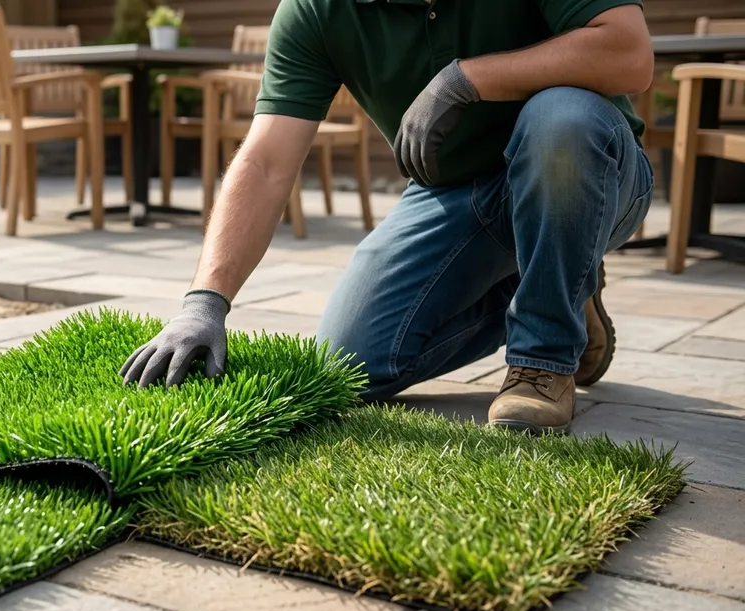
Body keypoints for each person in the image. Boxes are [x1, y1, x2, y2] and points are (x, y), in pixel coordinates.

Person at [118, 0, 657, 435]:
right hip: (452, 193)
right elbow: (264, 163)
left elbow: (629, 54)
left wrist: (467, 78)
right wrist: (205, 302)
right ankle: (563, 277)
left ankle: (543, 358)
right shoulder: (317, 10)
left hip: (588, 171)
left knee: (561, 118)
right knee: (346, 366)